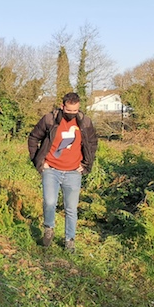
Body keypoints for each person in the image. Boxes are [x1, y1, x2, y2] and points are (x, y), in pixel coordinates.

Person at [27, 92, 98, 252]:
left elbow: (92, 143)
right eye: (69, 111)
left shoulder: (85, 122)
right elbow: (33, 138)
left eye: (75, 111)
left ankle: (69, 240)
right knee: (50, 202)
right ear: (62, 106)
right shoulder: (49, 120)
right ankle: (48, 229)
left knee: (71, 208)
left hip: (73, 172)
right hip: (51, 169)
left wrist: (86, 165)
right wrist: (38, 161)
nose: (72, 114)